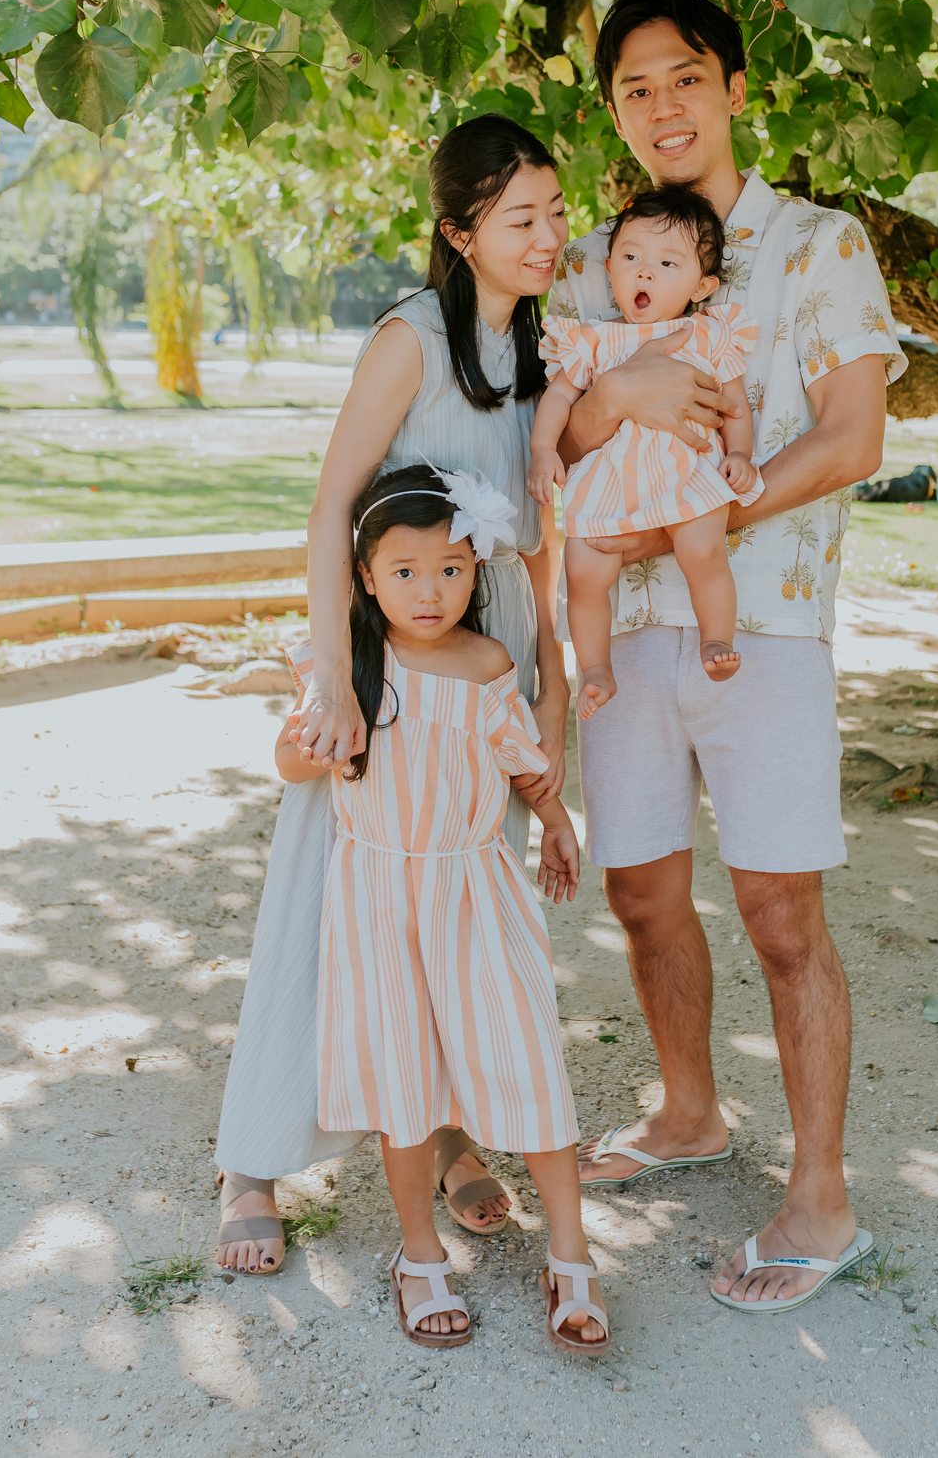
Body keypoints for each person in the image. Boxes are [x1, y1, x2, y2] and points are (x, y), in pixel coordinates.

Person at [548, 0, 907, 1311]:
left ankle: (822, 1197)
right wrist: (606, 410)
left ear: (736, 86)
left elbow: (852, 437)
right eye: (634, 89)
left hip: (759, 626)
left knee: (780, 912)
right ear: (615, 113)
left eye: (685, 77)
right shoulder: (590, 259)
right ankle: (689, 1109)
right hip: (618, 633)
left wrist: (695, 516)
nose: (662, 108)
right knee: (641, 896)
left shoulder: (820, 244)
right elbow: (558, 428)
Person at [214, 116, 572, 1274]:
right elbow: (331, 509)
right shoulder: (409, 340)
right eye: (522, 218)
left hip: (492, 652)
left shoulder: (546, 346)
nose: (550, 236)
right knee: (329, 895)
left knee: (460, 914)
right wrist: (335, 676)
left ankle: (455, 1130)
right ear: (459, 231)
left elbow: (537, 539)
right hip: (388, 659)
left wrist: (549, 677)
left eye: (558, 212)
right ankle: (253, 1157)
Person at [275, 466, 608, 1350]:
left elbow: (520, 757)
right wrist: (309, 740)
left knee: (525, 1053)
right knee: (402, 1078)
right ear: (366, 576)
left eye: (453, 569)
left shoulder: (486, 664)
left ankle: (570, 1250)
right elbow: (290, 759)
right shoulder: (348, 664)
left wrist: (555, 817)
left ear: (476, 573)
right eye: (407, 570)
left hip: (473, 886)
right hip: (378, 897)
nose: (431, 591)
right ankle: (418, 1252)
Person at [529, 183, 761, 717]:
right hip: (612, 482)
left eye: (666, 262)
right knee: (584, 571)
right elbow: (559, 397)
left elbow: (734, 403)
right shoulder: (593, 340)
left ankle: (714, 638)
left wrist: (741, 455)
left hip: (684, 473)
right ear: (609, 268)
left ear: (702, 285)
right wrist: (544, 450)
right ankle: (595, 670)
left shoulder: (704, 336)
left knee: (703, 549)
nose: (645, 272)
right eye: (631, 257)